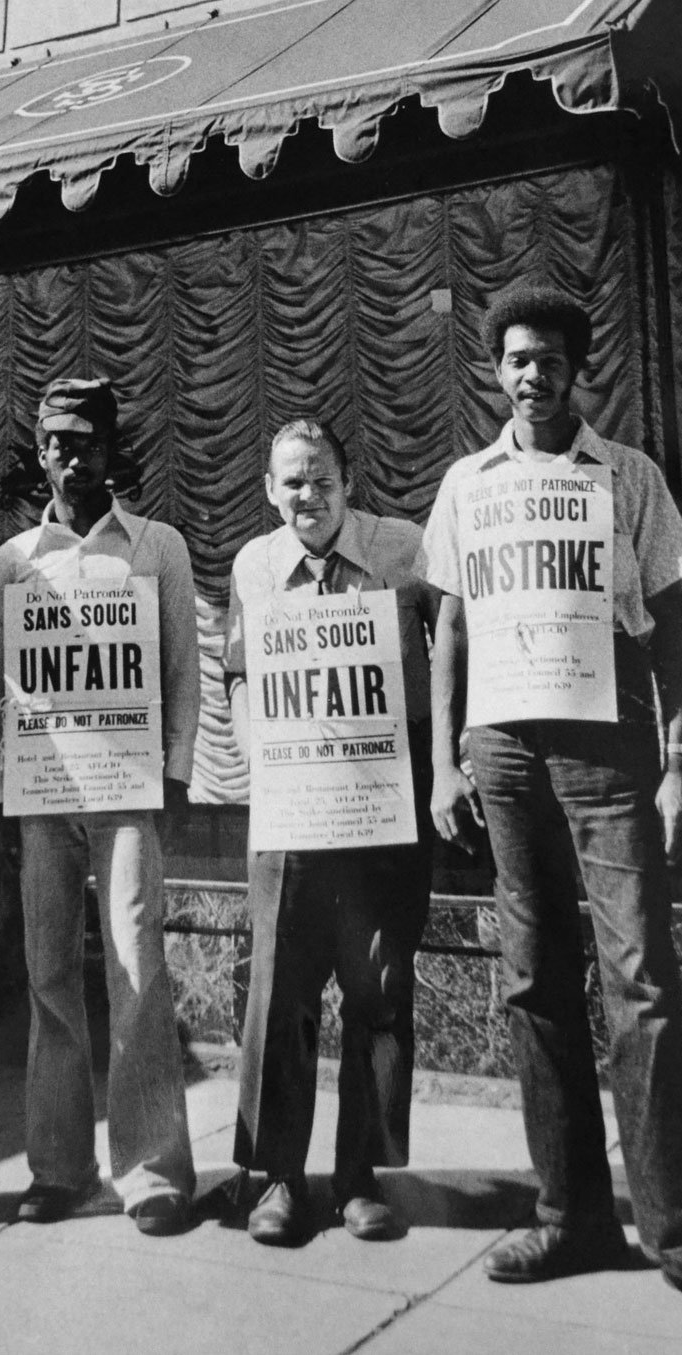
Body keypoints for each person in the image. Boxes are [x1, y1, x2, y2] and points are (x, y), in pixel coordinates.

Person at [420, 284, 682, 1332]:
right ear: (497, 372)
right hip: (502, 752)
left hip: (606, 745)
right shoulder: (465, 485)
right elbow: (448, 632)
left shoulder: (626, 478)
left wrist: (679, 758)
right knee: (534, 982)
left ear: (579, 370)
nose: (531, 375)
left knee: (641, 980)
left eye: (548, 359)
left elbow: (670, 627)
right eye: (515, 360)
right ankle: (570, 1212)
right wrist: (445, 764)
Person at [0, 377, 199, 1237]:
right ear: (40, 453)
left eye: (89, 442)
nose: (74, 457)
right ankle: (56, 1167)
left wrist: (175, 775)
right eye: (59, 443)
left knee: (137, 965)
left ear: (112, 450)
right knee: (48, 977)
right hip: (42, 798)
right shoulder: (11, 562)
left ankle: (151, 1170)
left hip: (126, 793)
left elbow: (184, 670)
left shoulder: (156, 547)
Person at [225, 418, 442, 1246]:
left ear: (348, 483)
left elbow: (447, 642)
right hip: (291, 802)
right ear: (268, 491)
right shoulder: (254, 563)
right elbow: (240, 675)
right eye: (290, 483)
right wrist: (259, 756)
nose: (305, 496)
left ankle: (359, 1176)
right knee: (279, 987)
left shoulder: (402, 548)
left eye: (320, 479)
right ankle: (281, 1175)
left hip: (385, 800)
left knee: (378, 985)